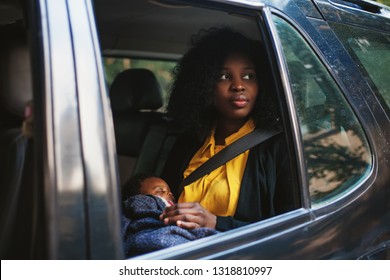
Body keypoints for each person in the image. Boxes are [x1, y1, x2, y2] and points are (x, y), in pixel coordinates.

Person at [160, 27, 297, 232]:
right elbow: (164, 201)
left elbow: (291, 230)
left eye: (249, 76)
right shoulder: (188, 141)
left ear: (263, 84)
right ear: (204, 85)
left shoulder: (280, 147)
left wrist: (216, 223)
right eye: (224, 76)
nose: (239, 86)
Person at [121, 173, 217, 257]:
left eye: (169, 191)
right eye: (160, 191)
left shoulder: (179, 211)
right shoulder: (144, 201)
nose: (169, 193)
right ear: (139, 197)